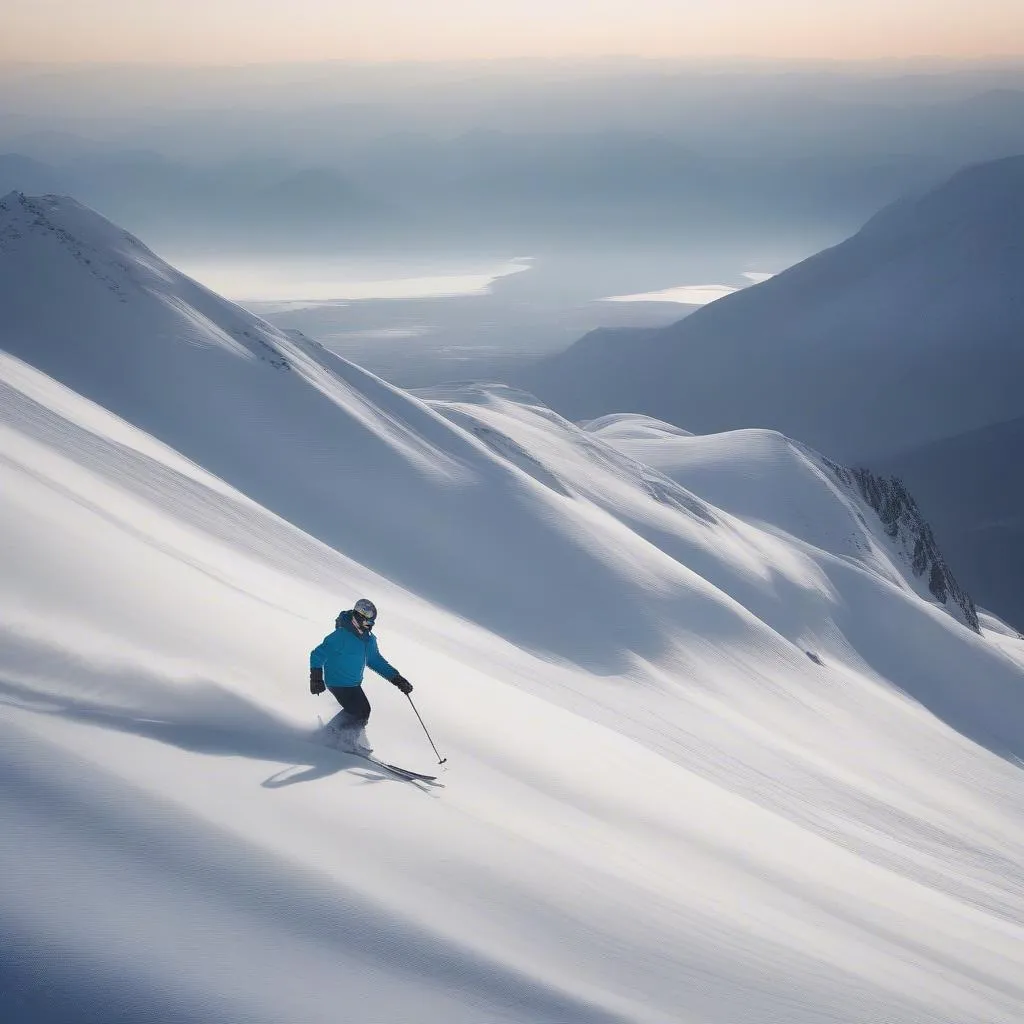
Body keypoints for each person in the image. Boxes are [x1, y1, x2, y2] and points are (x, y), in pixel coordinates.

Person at [309, 598, 413, 755]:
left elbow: (375, 661)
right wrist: (316, 678)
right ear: (358, 617)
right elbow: (317, 654)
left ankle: (334, 734)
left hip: (353, 683)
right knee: (359, 710)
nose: (370, 625)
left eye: (371, 622)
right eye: (367, 622)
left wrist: (397, 679)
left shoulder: (368, 640)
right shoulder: (341, 635)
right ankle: (342, 738)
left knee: (362, 710)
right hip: (337, 681)